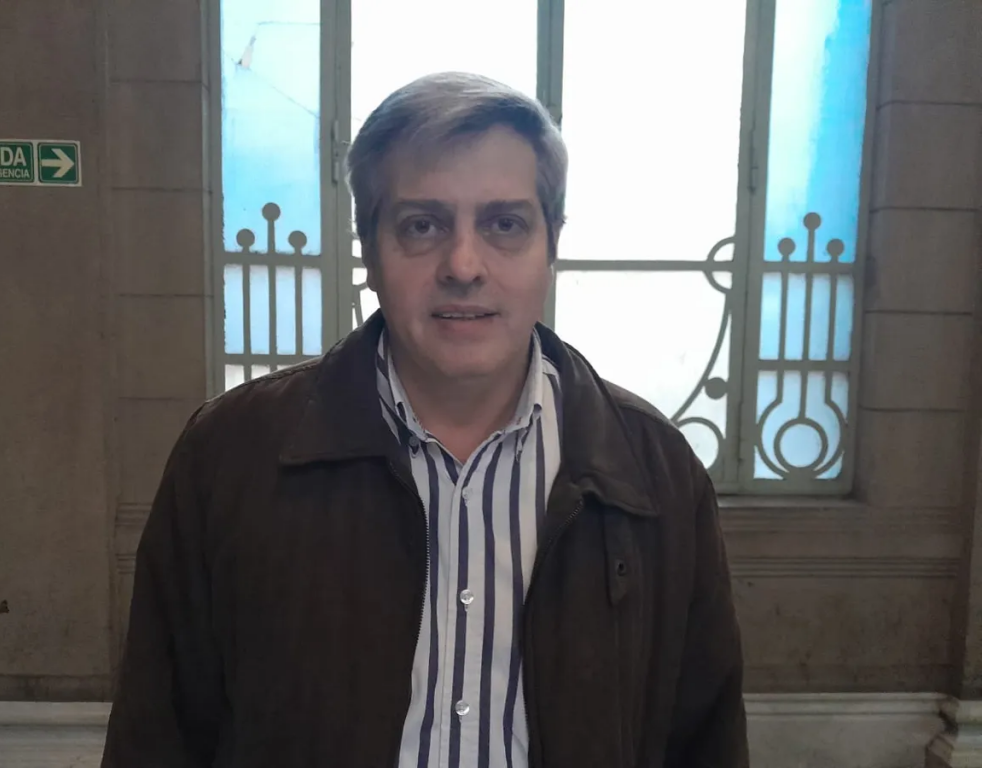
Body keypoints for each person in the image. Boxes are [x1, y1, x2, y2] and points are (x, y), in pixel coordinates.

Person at [101, 72, 747, 768]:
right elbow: (158, 734)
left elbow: (702, 738)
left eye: (505, 224)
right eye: (422, 225)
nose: (463, 265)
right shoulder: (229, 457)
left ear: (551, 244)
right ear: (368, 249)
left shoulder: (655, 472)